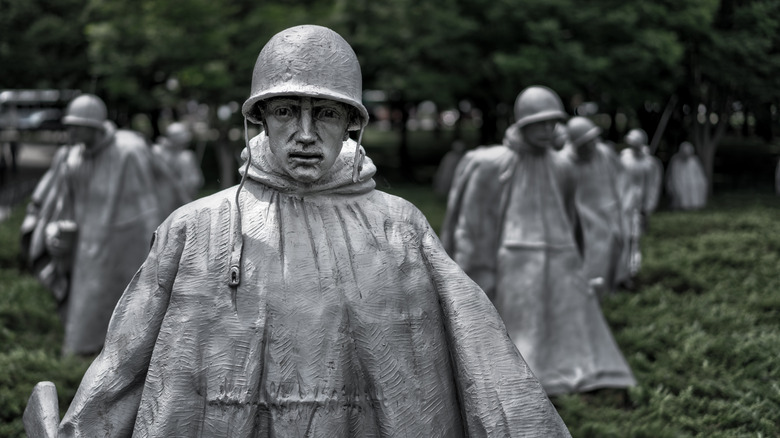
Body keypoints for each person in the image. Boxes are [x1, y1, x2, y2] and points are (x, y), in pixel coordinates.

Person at [30, 26, 570, 437]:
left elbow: (484, 360)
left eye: (327, 115)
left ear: (351, 123)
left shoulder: (399, 225)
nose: (306, 134)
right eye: (287, 111)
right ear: (261, 120)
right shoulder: (196, 228)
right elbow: (123, 362)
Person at [441, 85, 635, 395]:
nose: (548, 130)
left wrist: (578, 263)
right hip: (516, 258)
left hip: (561, 256)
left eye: (552, 122)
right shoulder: (491, 163)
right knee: (518, 337)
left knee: (566, 334)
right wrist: (472, 273)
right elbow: (473, 226)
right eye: (539, 122)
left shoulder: (562, 166)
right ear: (523, 123)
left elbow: (572, 218)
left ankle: (565, 380)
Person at [20, 94, 163, 356]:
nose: (69, 130)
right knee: (83, 328)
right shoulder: (73, 157)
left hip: (124, 251)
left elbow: (149, 208)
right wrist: (54, 232)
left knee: (128, 325)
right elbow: (62, 205)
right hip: (85, 252)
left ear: (93, 126)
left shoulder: (128, 151)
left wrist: (154, 256)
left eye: (75, 125)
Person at [560, 116, 624, 297]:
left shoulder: (604, 153)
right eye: (585, 142)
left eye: (593, 140)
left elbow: (621, 178)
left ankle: (613, 293)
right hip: (583, 220)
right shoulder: (563, 162)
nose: (591, 145)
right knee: (590, 262)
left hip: (610, 214)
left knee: (616, 255)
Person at [618, 128, 653, 281]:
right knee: (622, 234)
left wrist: (647, 205)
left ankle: (633, 267)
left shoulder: (647, 162)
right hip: (622, 200)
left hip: (637, 203)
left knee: (634, 236)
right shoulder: (624, 158)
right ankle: (620, 267)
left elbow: (651, 185)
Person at [150, 121, 204, 217]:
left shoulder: (185, 156)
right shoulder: (157, 152)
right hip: (162, 201)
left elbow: (195, 181)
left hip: (181, 201)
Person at [666, 141, 707, 210]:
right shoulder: (675, 160)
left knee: (693, 192)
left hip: (692, 183)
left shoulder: (694, 161)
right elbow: (672, 174)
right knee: (680, 193)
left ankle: (693, 205)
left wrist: (701, 182)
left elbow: (699, 174)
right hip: (680, 183)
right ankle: (681, 206)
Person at [642, 145, 663, 213]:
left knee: (649, 199)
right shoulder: (639, 161)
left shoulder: (652, 162)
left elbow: (657, 175)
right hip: (643, 184)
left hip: (650, 184)